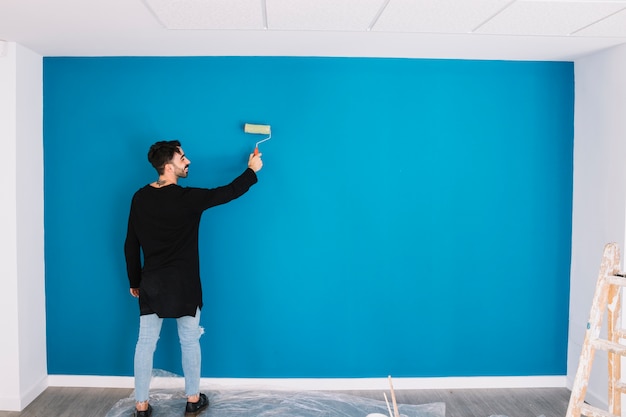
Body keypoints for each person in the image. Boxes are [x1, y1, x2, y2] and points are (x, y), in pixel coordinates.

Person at [124, 140, 263, 417]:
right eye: (182, 158)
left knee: (145, 343)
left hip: (151, 282)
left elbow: (130, 243)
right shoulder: (187, 199)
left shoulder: (139, 197)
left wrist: (135, 281)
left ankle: (141, 407)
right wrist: (252, 170)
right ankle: (192, 400)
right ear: (168, 166)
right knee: (189, 341)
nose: (187, 161)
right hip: (184, 284)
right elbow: (228, 192)